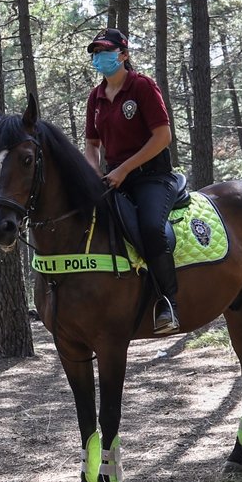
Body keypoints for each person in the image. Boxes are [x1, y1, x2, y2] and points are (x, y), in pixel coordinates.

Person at [83, 27, 179, 334]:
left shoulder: (142, 86)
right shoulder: (95, 97)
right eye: (96, 53)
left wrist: (124, 169)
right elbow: (92, 144)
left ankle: (168, 303)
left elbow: (163, 136)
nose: (99, 58)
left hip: (153, 177)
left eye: (105, 52)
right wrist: (93, 173)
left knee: (151, 228)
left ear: (123, 54)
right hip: (113, 179)